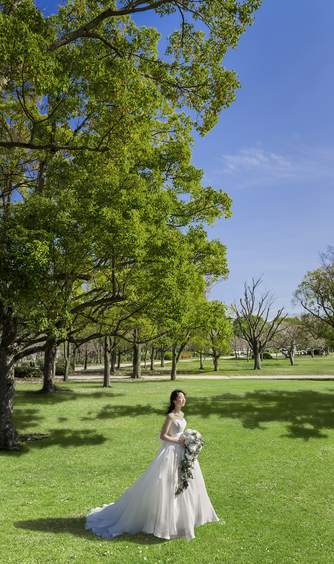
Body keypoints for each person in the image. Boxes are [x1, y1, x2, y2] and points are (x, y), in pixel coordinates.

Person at [85, 390, 219, 541]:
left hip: (183, 451)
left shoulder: (182, 415)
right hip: (172, 451)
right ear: (174, 401)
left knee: (184, 481)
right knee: (165, 482)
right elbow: (163, 435)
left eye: (184, 398)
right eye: (180, 398)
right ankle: (162, 521)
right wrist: (178, 441)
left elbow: (180, 432)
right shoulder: (170, 416)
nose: (183, 400)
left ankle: (183, 518)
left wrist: (189, 441)